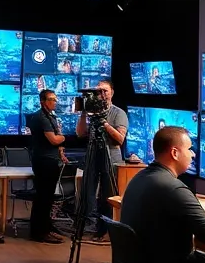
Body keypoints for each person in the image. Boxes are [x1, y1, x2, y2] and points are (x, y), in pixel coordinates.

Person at [120, 127, 205, 263]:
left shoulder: (138, 178)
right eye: (189, 149)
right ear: (174, 153)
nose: (193, 154)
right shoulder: (174, 188)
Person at [76, 79, 128, 240]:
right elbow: (80, 133)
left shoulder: (118, 113)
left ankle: (105, 230)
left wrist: (104, 123)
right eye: (98, 91)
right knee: (87, 191)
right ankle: (86, 226)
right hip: (93, 153)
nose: (102, 94)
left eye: (105, 91)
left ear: (112, 93)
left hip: (111, 156)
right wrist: (84, 112)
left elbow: (120, 139)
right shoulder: (91, 112)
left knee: (108, 195)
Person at [26, 90, 68, 245]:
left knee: (47, 198)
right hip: (44, 162)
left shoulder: (50, 116)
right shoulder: (41, 117)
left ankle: (46, 228)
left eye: (55, 99)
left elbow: (57, 142)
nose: (54, 102)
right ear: (42, 101)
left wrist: (61, 151)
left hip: (50, 160)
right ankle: (39, 232)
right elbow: (54, 140)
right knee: (43, 198)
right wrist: (63, 137)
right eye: (51, 99)